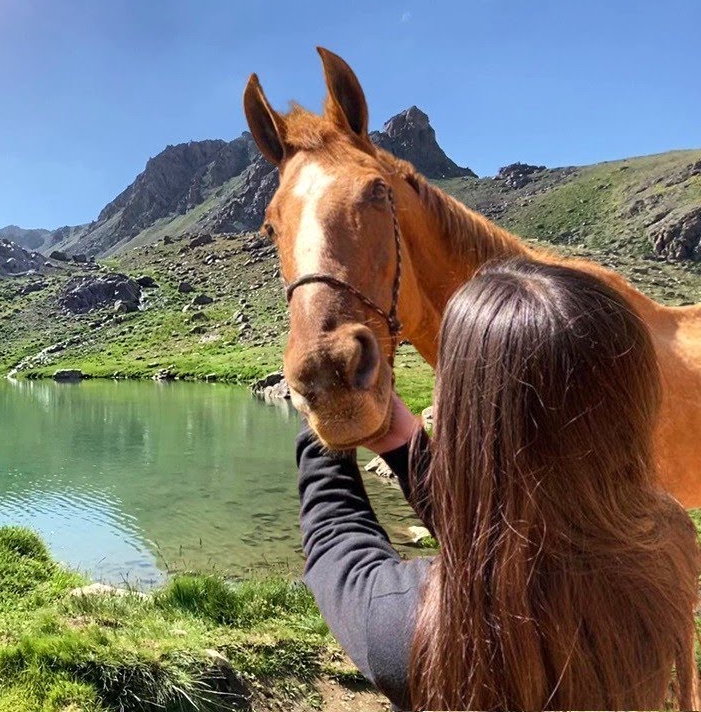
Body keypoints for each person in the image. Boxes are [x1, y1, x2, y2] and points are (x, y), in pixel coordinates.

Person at [296, 257, 701, 711]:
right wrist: (406, 444)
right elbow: (520, 522)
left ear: (461, 413)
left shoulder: (412, 627)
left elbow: (335, 535)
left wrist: (326, 401)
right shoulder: (672, 545)